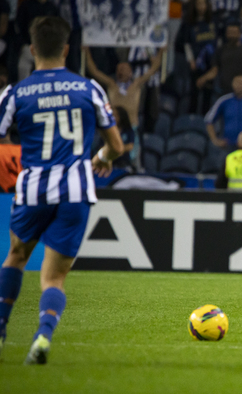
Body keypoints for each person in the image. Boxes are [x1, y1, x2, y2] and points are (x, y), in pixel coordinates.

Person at [0, 16, 123, 364]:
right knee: (53, 276)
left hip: (33, 189)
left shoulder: (15, 93)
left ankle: (1, 330)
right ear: (67, 49)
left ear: (32, 49)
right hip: (75, 190)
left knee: (16, 257)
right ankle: (43, 335)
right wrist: (100, 157)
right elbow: (116, 145)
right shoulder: (88, 89)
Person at [84, 45, 164, 166]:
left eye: (123, 68)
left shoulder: (135, 85)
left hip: (132, 128)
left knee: (135, 162)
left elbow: (153, 69)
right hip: (113, 129)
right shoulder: (112, 85)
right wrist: (86, 50)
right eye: (118, 69)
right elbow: (94, 71)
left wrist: (162, 50)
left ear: (130, 71)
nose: (120, 71)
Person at [175, 0, 216, 115]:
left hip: (210, 64)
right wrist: (191, 60)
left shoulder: (213, 22)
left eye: (203, 4)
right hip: (195, 64)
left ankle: (205, 120)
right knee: (194, 93)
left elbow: (218, 43)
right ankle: (191, 120)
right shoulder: (189, 24)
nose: (201, 7)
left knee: (208, 94)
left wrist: (216, 62)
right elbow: (186, 43)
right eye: (198, 4)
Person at [197, 21, 242, 95]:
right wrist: (203, 78)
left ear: (239, 33)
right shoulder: (220, 50)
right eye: (230, 32)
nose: (232, 35)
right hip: (224, 90)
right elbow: (214, 71)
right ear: (226, 34)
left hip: (241, 91)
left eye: (234, 32)